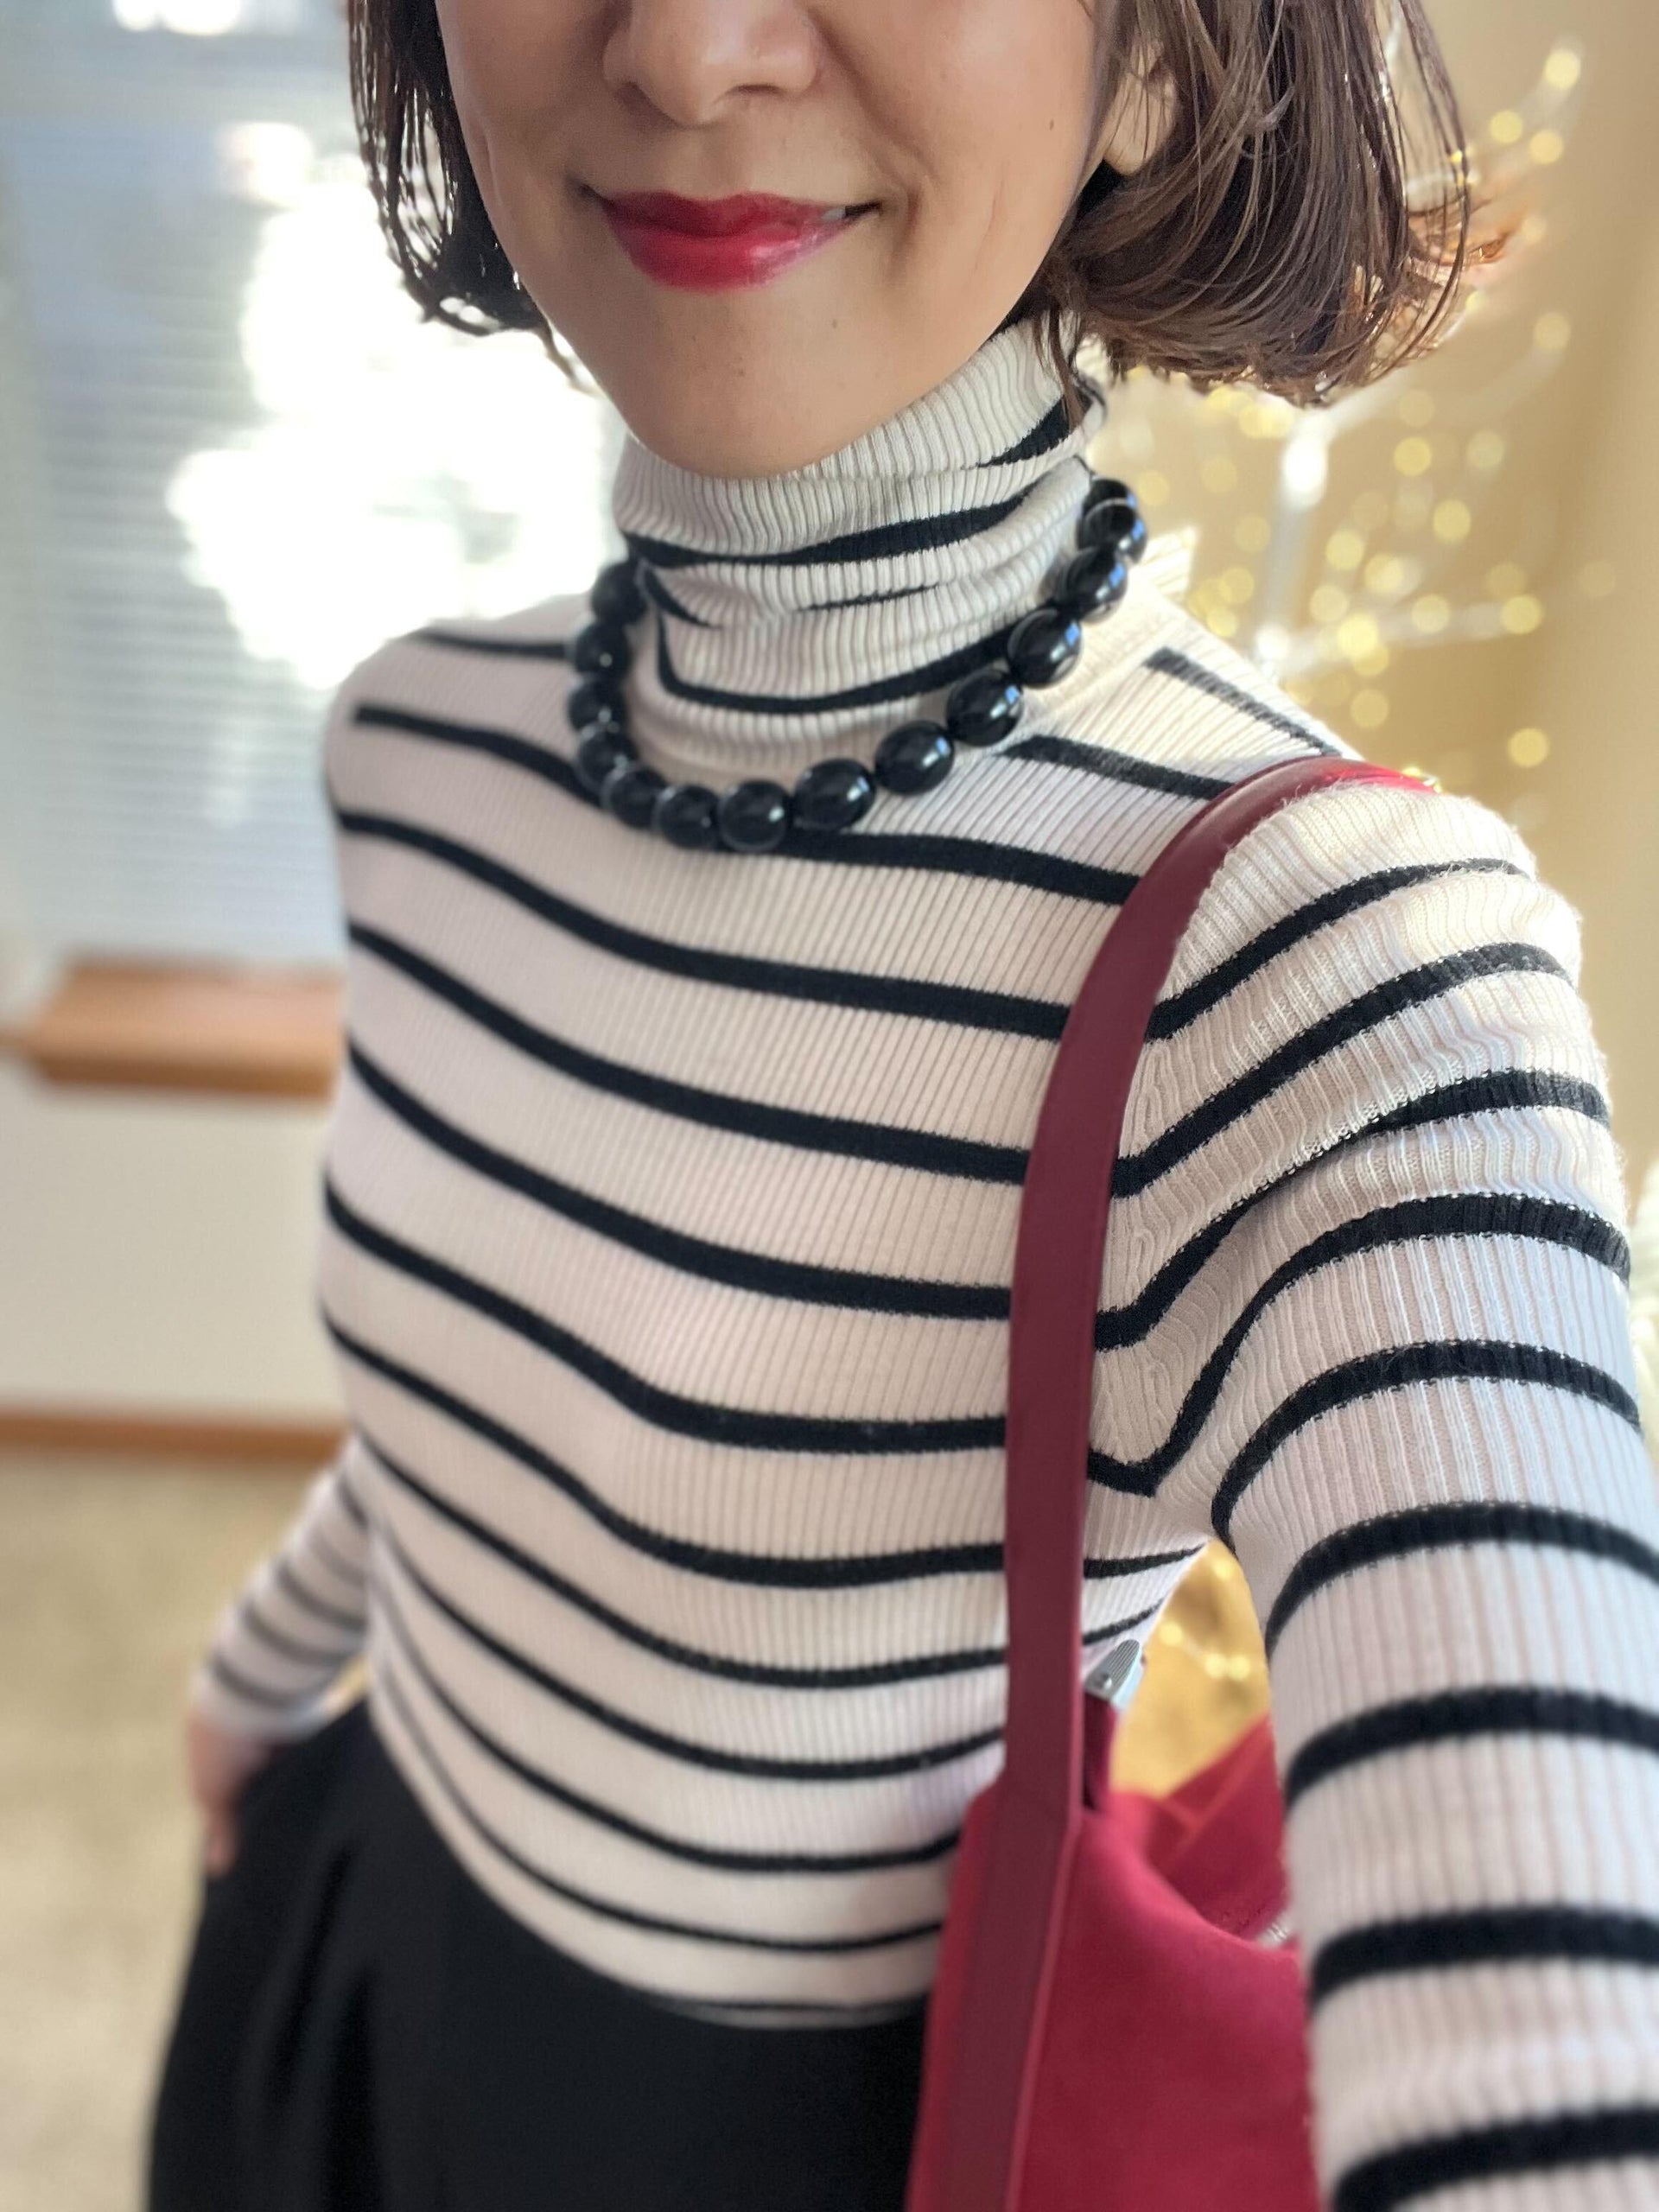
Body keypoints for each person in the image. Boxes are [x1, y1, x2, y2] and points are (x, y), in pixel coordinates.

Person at [147, 1, 1659, 2207]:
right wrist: (262, 1675)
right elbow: (485, 1396)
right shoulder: (418, 750)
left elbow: (1553, 2054)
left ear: (1163, 58)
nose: (689, 51)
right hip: (355, 1932)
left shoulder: (1336, 978)